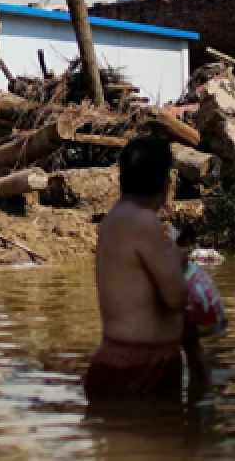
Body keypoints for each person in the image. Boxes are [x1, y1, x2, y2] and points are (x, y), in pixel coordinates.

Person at [86, 137, 207, 402]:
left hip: (118, 360)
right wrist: (177, 261)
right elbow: (175, 297)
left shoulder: (115, 219)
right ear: (166, 185)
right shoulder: (144, 222)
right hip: (140, 367)